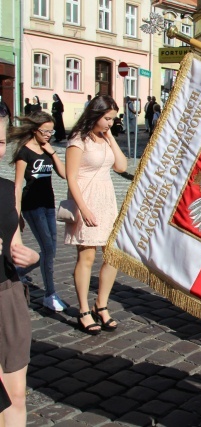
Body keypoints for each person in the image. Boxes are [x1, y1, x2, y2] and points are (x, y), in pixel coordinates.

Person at [65, 95, 127, 335]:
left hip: (107, 201)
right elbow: (71, 177)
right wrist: (83, 208)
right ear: (95, 115)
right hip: (86, 200)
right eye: (107, 118)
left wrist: (110, 137)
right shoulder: (78, 140)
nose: (110, 123)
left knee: (113, 256)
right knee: (87, 257)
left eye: (113, 119)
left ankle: (101, 305)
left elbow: (121, 166)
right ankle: (83, 310)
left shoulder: (105, 138)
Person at [0, 107, 41, 427]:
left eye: (0, 141)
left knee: (15, 396)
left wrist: (31, 257)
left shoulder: (3, 191)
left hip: (7, 298)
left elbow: (15, 245)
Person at [10, 111, 67, 312]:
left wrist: (52, 152)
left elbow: (64, 174)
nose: (48, 135)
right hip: (32, 206)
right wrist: (16, 215)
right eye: (45, 131)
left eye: (51, 131)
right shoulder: (24, 152)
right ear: (34, 130)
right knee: (48, 249)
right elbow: (17, 186)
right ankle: (50, 294)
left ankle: (18, 271)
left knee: (51, 247)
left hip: (48, 204)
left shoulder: (46, 150)